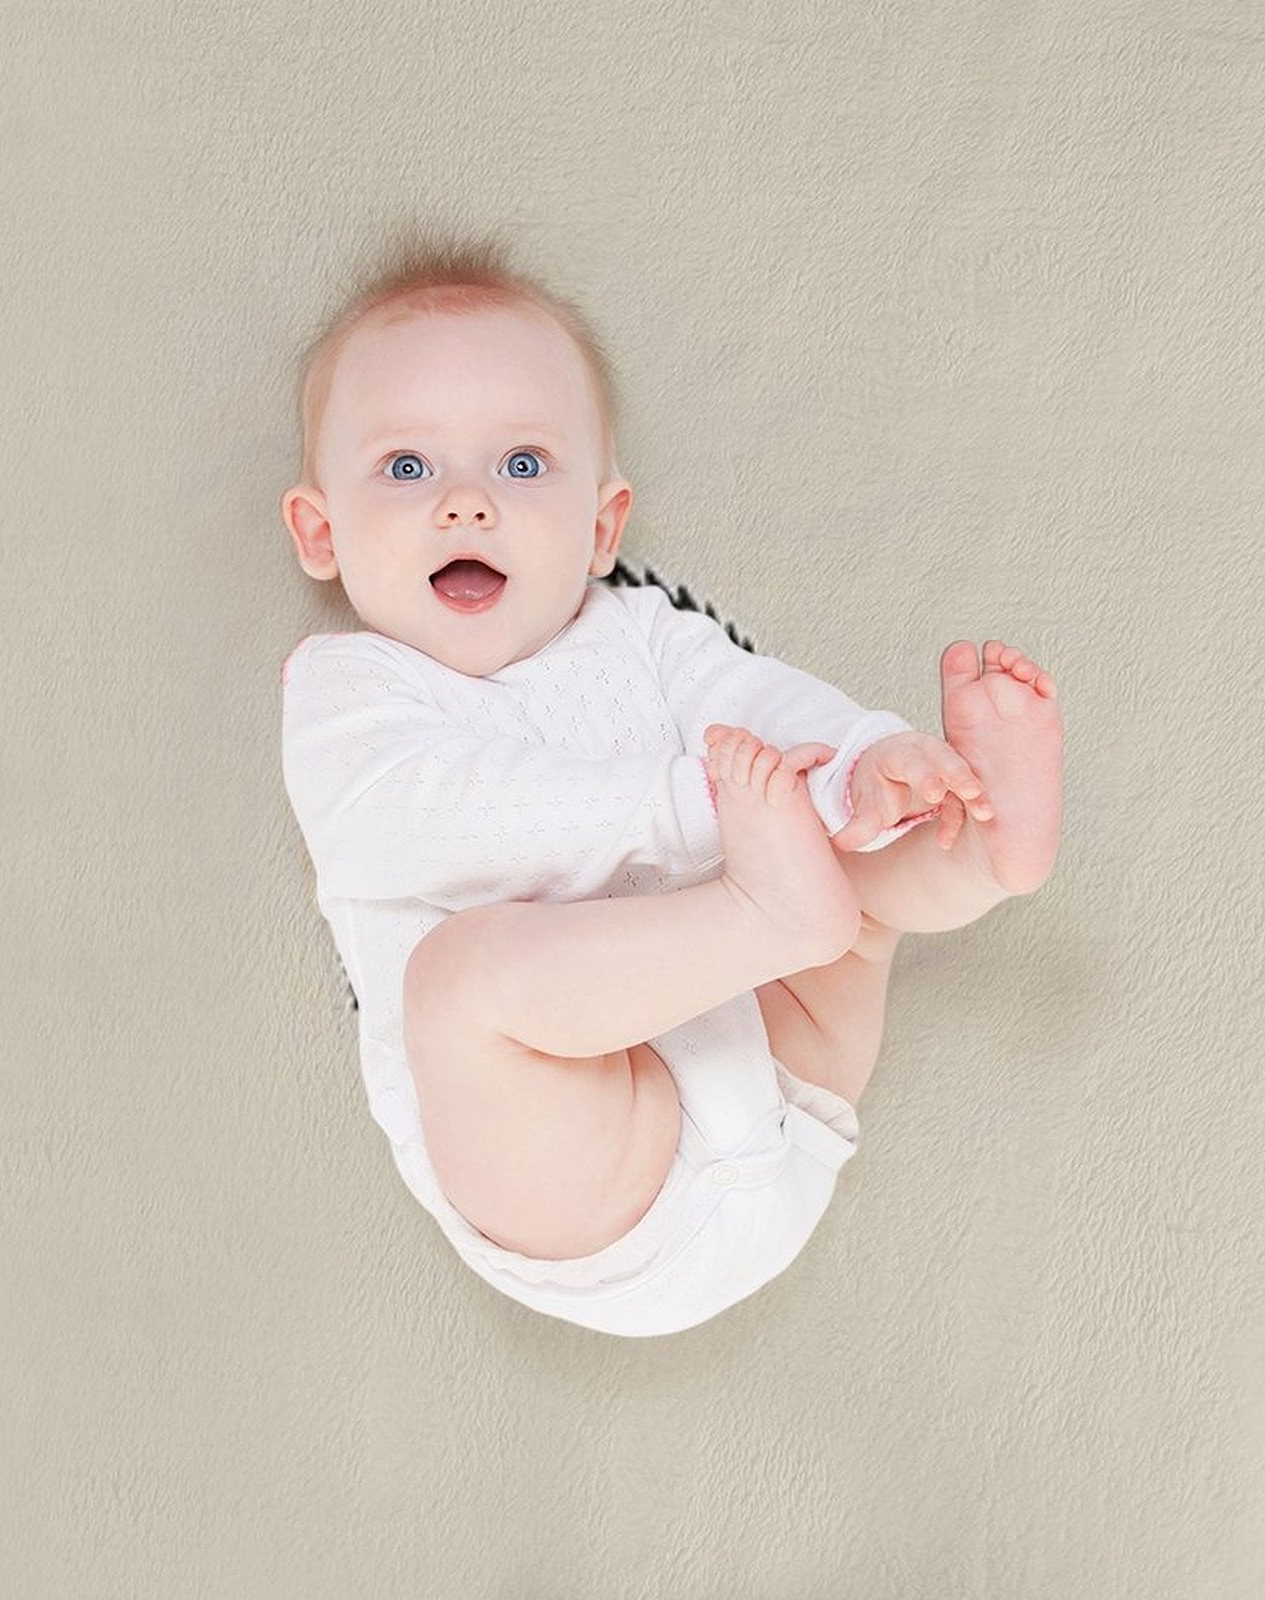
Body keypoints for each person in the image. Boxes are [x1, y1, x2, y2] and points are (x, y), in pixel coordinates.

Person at [279, 234, 1064, 1337]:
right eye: (407, 468)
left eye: (521, 465)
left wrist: (862, 764)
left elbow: (767, 705)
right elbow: (433, 820)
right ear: (320, 531)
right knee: (458, 985)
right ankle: (773, 909)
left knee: (856, 861)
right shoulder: (349, 690)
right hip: (594, 1178)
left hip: (786, 1076)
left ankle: (977, 848)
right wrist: (697, 811)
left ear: (603, 526)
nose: (466, 504)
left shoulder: (642, 632)